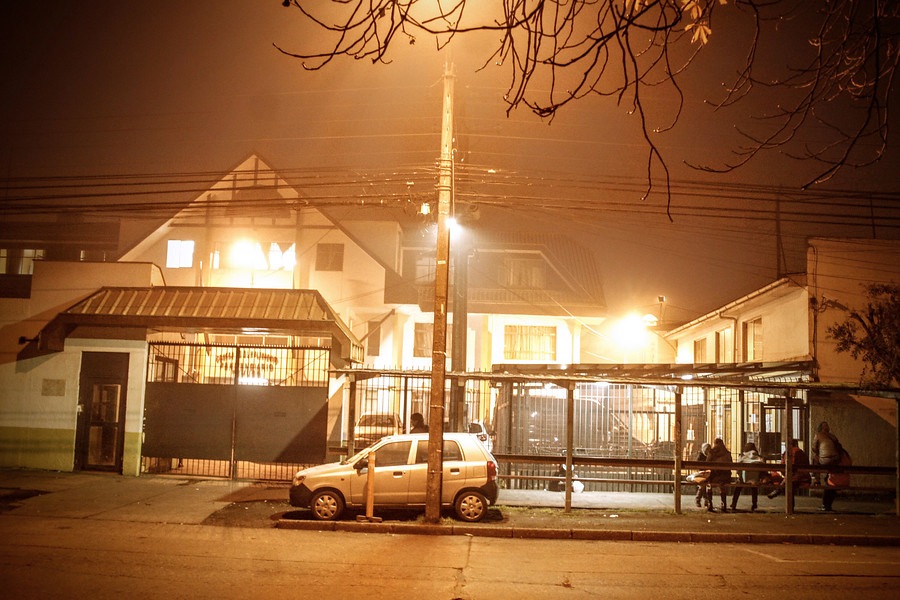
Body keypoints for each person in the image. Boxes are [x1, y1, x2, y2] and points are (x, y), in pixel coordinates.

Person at [767, 439, 810, 510]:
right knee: (788, 481)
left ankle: (780, 490)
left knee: (788, 482)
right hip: (805, 478)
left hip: (794, 478)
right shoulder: (802, 453)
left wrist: (785, 475)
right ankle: (779, 489)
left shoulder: (788, 453)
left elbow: (784, 467)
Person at [730, 442, 766, 512]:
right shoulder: (759, 457)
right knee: (754, 487)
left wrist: (739, 476)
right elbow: (763, 470)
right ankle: (754, 504)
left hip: (744, 479)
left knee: (738, 486)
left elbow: (738, 469)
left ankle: (734, 503)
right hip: (755, 480)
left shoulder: (742, 457)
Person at [705, 438, 733, 512]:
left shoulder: (712, 452)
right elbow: (731, 465)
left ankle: (710, 503)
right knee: (722, 485)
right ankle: (723, 504)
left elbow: (707, 463)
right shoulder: (727, 453)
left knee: (708, 482)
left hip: (714, 476)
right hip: (725, 477)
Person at [822, 444, 852, 511]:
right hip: (845, 480)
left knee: (828, 483)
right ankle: (827, 505)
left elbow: (830, 466)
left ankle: (825, 505)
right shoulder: (846, 455)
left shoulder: (835, 456)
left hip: (836, 480)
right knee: (829, 482)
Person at [690, 442, 712, 508]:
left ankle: (700, 500)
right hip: (701, 474)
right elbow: (698, 466)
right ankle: (703, 500)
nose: (708, 451)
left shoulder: (710, 455)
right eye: (707, 449)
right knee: (703, 484)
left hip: (708, 474)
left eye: (709, 449)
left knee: (705, 485)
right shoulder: (701, 455)